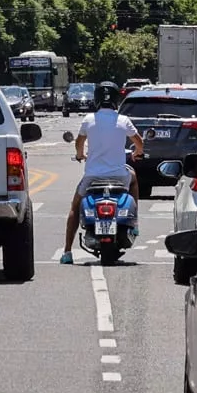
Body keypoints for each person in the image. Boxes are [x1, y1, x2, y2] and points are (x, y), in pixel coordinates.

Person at [61, 81, 142, 264]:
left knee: (75, 207)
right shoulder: (123, 120)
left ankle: (67, 252)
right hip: (119, 177)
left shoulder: (89, 119)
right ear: (117, 100)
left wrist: (80, 155)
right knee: (134, 178)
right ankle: (135, 222)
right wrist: (137, 153)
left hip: (92, 177)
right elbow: (139, 143)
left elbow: (79, 143)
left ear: (96, 99)